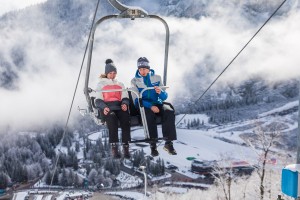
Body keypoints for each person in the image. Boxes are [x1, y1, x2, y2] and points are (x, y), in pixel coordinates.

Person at [131, 57, 177, 157]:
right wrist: (150, 106)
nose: (142, 71)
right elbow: (136, 99)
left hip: (157, 103)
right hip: (144, 105)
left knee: (169, 111)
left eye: (144, 69)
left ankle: (168, 143)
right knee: (148, 114)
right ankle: (153, 144)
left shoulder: (157, 78)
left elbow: (164, 97)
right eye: (140, 69)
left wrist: (160, 92)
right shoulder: (135, 81)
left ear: (148, 68)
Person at [95, 59, 131, 159]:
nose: (112, 75)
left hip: (119, 106)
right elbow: (98, 100)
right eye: (110, 73)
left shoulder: (120, 84)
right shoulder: (101, 84)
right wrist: (104, 107)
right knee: (112, 119)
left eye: (114, 73)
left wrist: (124, 103)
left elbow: (125, 96)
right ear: (106, 73)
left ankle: (126, 146)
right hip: (108, 107)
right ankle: (114, 146)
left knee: (125, 119)